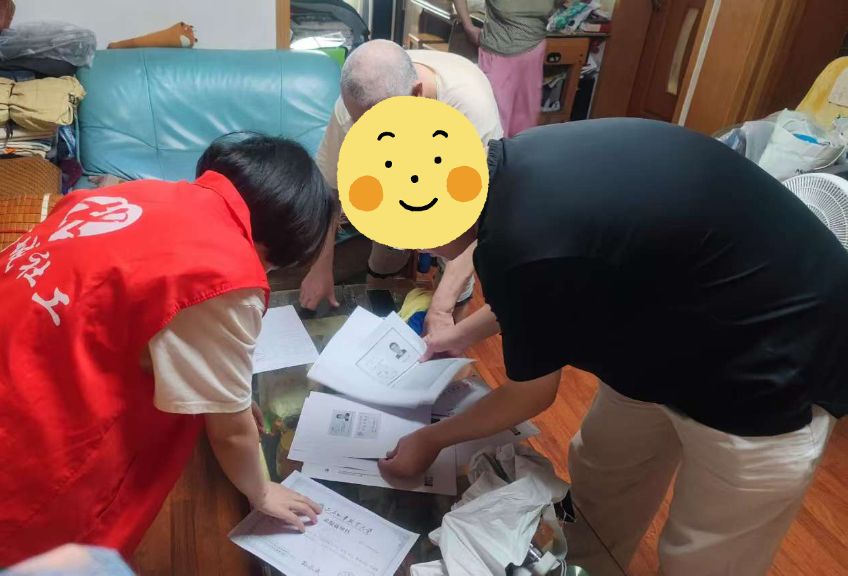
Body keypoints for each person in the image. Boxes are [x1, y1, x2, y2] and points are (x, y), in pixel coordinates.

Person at [0, 133, 335, 574]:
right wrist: (261, 490)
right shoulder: (225, 272)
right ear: (282, 244)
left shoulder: (134, 193)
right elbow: (230, 432)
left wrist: (225, 396)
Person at [378, 118, 848, 575]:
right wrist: (460, 335)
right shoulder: (510, 169)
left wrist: (429, 439)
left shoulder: (520, 236)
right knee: (599, 482)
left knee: (704, 555)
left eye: (420, 243)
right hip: (664, 327)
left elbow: (530, 394)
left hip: (769, 355)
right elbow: (542, 283)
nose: (430, 255)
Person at [303, 39, 502, 339]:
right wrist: (321, 266)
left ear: (417, 94)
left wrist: (441, 307)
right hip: (394, 169)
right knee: (384, 250)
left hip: (454, 179)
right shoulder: (352, 108)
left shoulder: (471, 111)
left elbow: (481, 224)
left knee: (451, 293)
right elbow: (329, 192)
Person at [452, 0, 557, 137]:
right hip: (498, 54)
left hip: (534, 54)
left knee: (525, 123)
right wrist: (468, 26)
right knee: (493, 123)